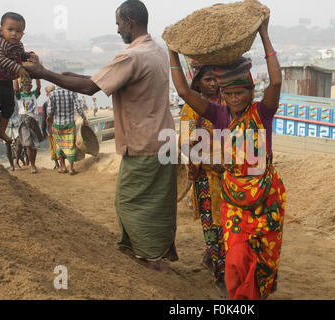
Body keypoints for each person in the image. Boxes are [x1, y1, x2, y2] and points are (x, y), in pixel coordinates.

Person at [25, 0, 178, 271]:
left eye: (119, 23)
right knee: (157, 202)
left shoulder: (132, 56)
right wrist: (76, 76)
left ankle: (152, 259)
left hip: (144, 142)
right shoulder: (154, 50)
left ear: (130, 22)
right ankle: (154, 252)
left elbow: (88, 88)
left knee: (130, 201)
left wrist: (43, 73)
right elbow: (105, 81)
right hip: (162, 138)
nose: (118, 29)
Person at [169, 12, 286, 300]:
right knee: (235, 260)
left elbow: (276, 82)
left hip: (265, 198)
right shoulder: (218, 114)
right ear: (223, 94)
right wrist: (171, 50)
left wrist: (263, 34)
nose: (234, 99)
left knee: (263, 264)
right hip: (233, 200)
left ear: (250, 92)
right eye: (229, 93)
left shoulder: (262, 113)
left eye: (240, 93)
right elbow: (183, 90)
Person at [179, 61, 227, 297]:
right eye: (208, 79)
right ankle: (220, 275)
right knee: (213, 225)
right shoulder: (190, 108)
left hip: (230, 176)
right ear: (198, 82)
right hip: (206, 180)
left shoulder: (229, 102)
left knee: (228, 226)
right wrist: (207, 161)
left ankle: (211, 257)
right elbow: (185, 144)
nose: (213, 83)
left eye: (217, 78)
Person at [0, 12, 37, 144]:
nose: (14, 34)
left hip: (6, 80)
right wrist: (18, 68)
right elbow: (0, 58)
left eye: (18, 31)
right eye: (10, 30)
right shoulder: (0, 42)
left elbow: (20, 55)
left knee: (9, 107)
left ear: (23, 33)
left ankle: (1, 131)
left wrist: (28, 55)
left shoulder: (18, 45)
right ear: (1, 30)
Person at [47, 87, 88, 175]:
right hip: (69, 124)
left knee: (59, 146)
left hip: (57, 125)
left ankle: (63, 167)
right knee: (70, 146)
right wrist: (84, 118)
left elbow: (50, 111)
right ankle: (71, 169)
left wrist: (49, 118)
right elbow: (78, 107)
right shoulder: (72, 92)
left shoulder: (53, 94)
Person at [16, 78, 43, 174]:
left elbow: (39, 87)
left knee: (35, 145)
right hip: (24, 120)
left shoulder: (33, 95)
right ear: (22, 87)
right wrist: (15, 78)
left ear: (31, 87)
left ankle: (33, 163)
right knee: (28, 144)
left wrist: (37, 77)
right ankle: (32, 166)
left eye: (28, 86)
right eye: (25, 86)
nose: (27, 87)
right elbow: (16, 90)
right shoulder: (20, 96)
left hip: (33, 120)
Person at [41, 85, 59, 170]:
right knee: (58, 145)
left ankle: (57, 164)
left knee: (53, 146)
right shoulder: (59, 102)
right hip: (58, 128)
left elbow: (44, 118)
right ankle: (60, 163)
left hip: (50, 129)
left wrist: (43, 130)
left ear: (47, 93)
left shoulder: (45, 104)